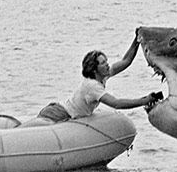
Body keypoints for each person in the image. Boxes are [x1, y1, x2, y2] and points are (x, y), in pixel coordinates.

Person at [22, 32, 161, 127]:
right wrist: (145, 100)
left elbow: (126, 61)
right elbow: (116, 103)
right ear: (95, 69)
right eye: (103, 63)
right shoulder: (92, 86)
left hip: (62, 112)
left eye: (106, 61)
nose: (107, 65)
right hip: (57, 114)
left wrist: (136, 41)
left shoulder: (103, 75)